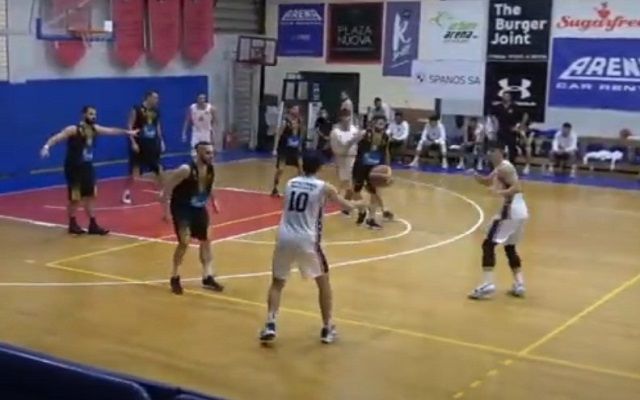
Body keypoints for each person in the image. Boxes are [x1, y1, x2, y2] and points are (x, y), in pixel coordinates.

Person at [258, 152, 366, 344]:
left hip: (284, 236)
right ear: (320, 167)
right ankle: (327, 328)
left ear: (302, 164)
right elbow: (347, 206)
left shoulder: (290, 183)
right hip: (307, 239)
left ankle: (270, 324)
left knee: (277, 283)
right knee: (323, 283)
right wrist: (363, 203)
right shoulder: (324, 187)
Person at [40, 106, 138, 235]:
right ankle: (72, 223)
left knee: (91, 195)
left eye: (95, 114)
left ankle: (93, 224)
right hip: (74, 168)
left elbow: (111, 130)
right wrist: (46, 146)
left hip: (87, 167)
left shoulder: (94, 129)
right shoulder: (73, 129)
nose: (93, 117)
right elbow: (57, 137)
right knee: (75, 198)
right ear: (84, 115)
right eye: (91, 114)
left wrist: (127, 132)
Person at [161, 141, 224, 295]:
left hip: (198, 208)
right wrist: (166, 211)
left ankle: (207, 276)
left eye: (212, 152)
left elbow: (210, 184)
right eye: (207, 153)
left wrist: (214, 200)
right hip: (182, 208)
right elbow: (168, 186)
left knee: (206, 239)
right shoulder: (186, 169)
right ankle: (175, 276)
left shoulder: (210, 169)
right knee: (184, 242)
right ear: (198, 153)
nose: (211, 156)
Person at [469, 144, 528, 300]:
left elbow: (517, 187)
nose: (491, 154)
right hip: (520, 211)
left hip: (511, 209)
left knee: (488, 245)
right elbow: (488, 181)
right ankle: (519, 283)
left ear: (501, 152)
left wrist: (499, 192)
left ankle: (488, 284)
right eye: (489, 152)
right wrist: (476, 177)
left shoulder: (505, 168)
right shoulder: (500, 168)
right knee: (510, 247)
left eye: (493, 151)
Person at [122, 91, 166, 205]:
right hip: (139, 144)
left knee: (158, 168)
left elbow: (158, 126)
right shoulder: (136, 109)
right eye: (155, 98)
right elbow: (129, 126)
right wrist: (133, 142)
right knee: (134, 171)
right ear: (148, 97)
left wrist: (161, 141)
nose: (157, 100)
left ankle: (163, 191)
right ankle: (126, 191)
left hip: (152, 144)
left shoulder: (156, 111)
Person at [352, 116, 394, 229]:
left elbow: (386, 152)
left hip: (375, 168)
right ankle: (362, 211)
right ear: (373, 123)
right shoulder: (364, 133)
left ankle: (371, 218)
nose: (381, 124)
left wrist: (388, 169)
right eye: (379, 122)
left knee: (375, 192)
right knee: (355, 191)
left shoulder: (386, 137)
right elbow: (352, 143)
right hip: (360, 166)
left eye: (383, 122)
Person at [330, 109, 364, 214]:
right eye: (345, 117)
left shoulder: (355, 130)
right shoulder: (335, 132)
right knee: (346, 185)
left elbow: (359, 145)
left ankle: (359, 208)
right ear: (341, 118)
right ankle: (349, 206)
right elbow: (336, 149)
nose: (347, 119)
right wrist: (350, 142)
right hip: (342, 160)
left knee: (352, 185)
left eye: (349, 117)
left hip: (354, 159)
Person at [271, 105, 304, 197]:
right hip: (284, 148)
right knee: (280, 169)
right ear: (290, 110)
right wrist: (275, 148)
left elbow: (301, 134)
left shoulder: (300, 121)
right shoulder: (285, 121)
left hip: (295, 148)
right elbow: (278, 134)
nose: (296, 110)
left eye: (297, 109)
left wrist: (300, 146)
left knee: (301, 167)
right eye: (294, 109)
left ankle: (300, 187)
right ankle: (275, 187)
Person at [490, 92, 526, 165]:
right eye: (504, 96)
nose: (505, 97)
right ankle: (498, 165)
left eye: (507, 96)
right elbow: (492, 116)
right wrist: (495, 126)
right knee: (499, 149)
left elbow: (525, 115)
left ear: (510, 97)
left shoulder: (514, 107)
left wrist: (520, 126)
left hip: (511, 130)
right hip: (501, 130)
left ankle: (512, 165)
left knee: (512, 149)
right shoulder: (498, 107)